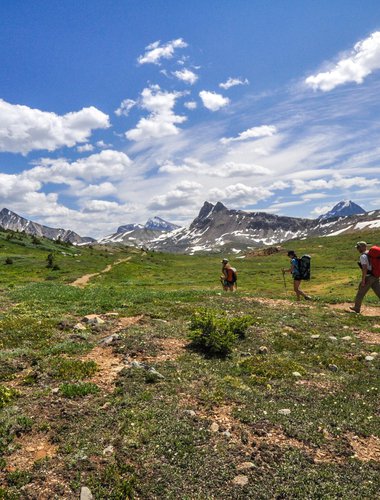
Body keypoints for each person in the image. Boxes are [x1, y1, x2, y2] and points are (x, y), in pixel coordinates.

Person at [350, 241, 380, 313]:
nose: (357, 249)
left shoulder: (363, 256)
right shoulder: (370, 254)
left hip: (368, 277)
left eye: (358, 247)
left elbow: (364, 268)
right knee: (379, 292)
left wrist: (363, 280)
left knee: (360, 292)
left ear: (362, 247)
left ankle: (357, 308)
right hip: (375, 276)